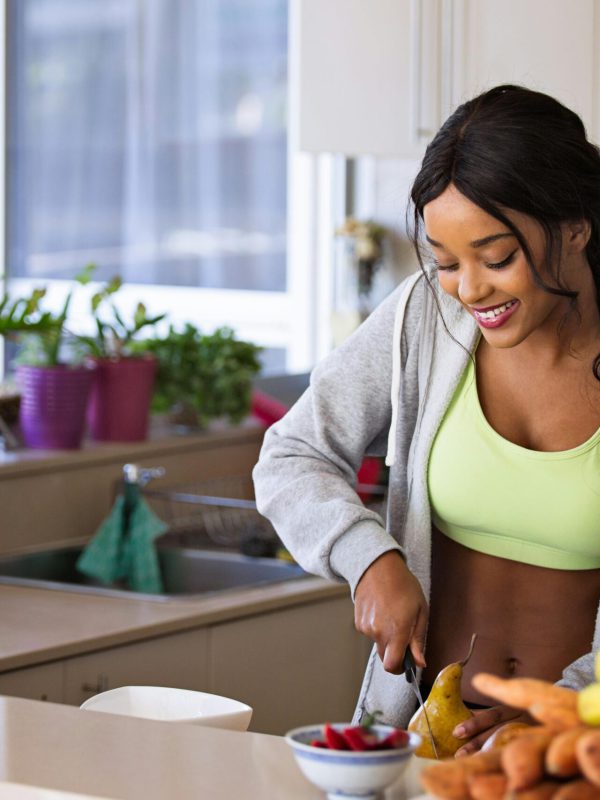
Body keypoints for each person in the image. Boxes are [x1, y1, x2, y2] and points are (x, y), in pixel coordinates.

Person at [252, 85, 600, 754]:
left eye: (496, 259)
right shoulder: (426, 318)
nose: (470, 290)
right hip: (419, 737)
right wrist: (370, 557)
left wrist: (558, 714)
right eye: (445, 263)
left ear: (574, 229)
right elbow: (290, 455)